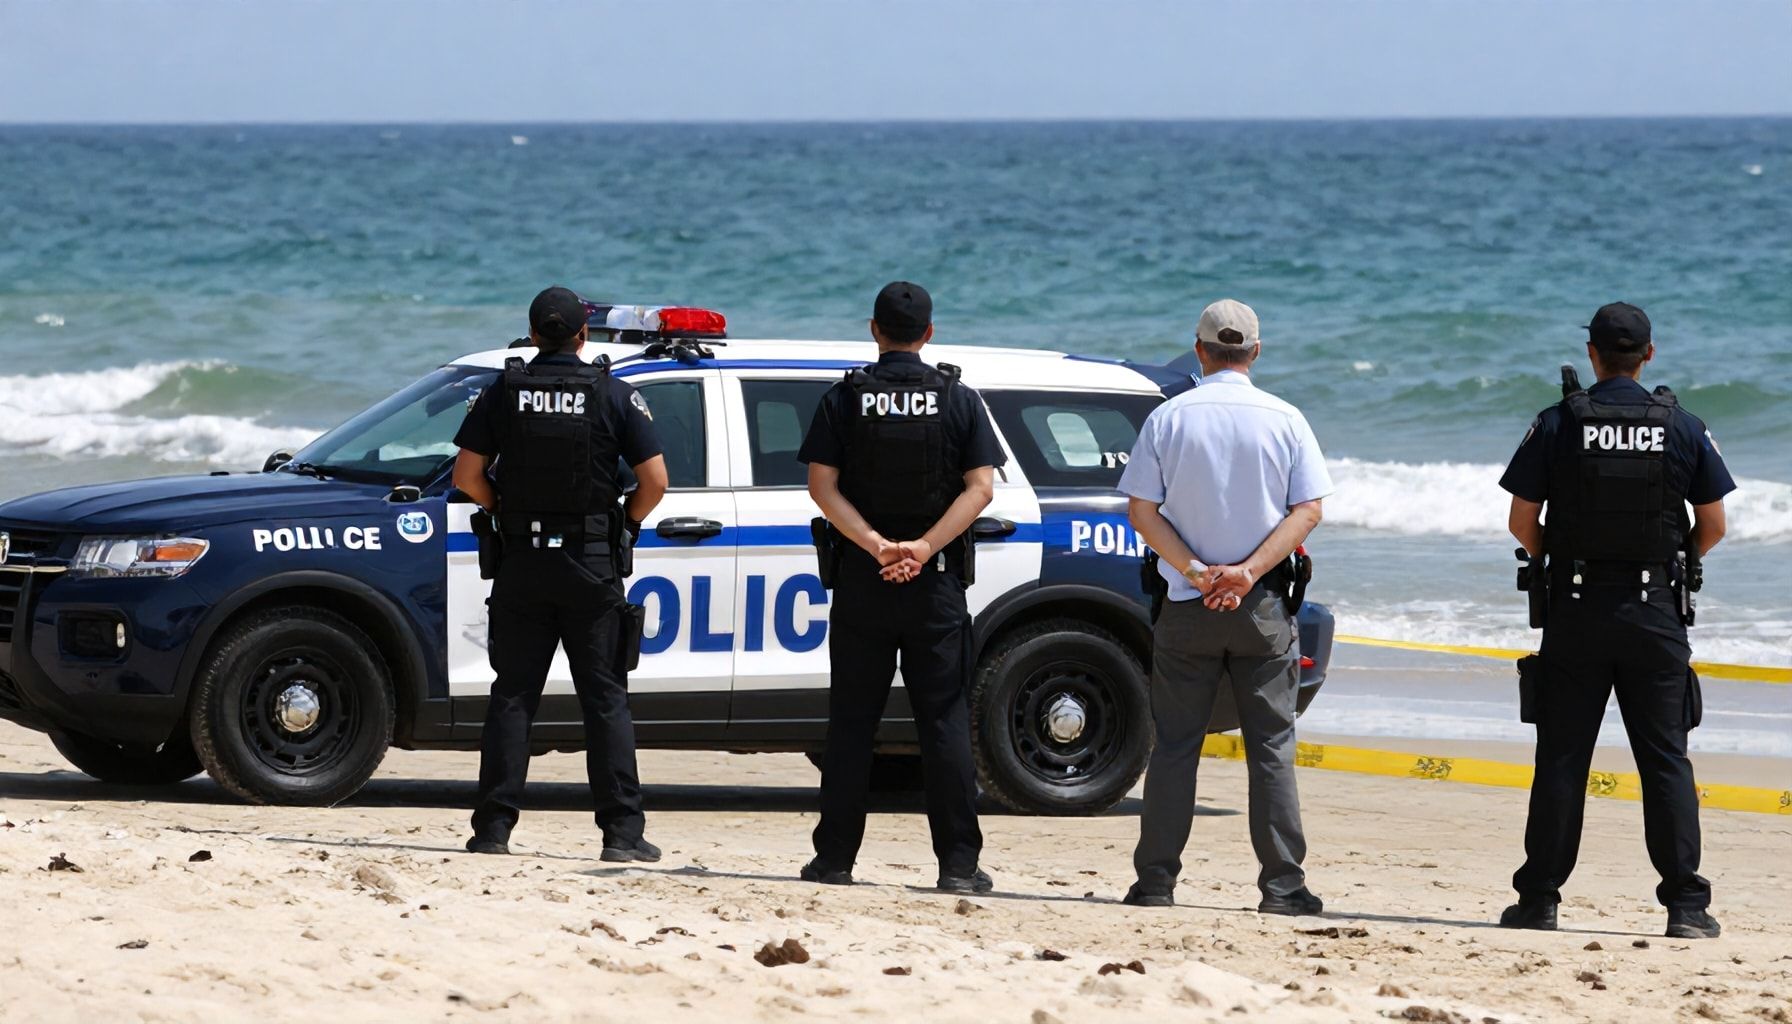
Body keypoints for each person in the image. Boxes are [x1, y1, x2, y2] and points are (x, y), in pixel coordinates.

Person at [1497, 302, 1733, 939]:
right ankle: (1686, 908)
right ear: (1648, 355)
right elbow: (1714, 525)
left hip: (1576, 611)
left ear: (1592, 354)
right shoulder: (1682, 426)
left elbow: (1521, 522)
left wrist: (1558, 561)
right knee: (1666, 760)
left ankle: (1539, 901)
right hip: (1654, 613)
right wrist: (1673, 561)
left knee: (1563, 757)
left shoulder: (1557, 422)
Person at [1117, 298, 1331, 914]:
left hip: (1187, 603)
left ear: (1200, 350)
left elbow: (1142, 512)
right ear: (1256, 351)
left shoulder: (1169, 417)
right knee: (1272, 748)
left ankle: (1155, 883)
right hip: (1260, 605)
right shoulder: (1286, 418)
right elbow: (1308, 511)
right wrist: (1246, 573)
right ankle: (1282, 887)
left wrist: (1196, 571)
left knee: (1175, 746)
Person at [796, 281, 1005, 894]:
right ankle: (958, 867)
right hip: (934, 586)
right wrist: (924, 548)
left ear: (874, 329)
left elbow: (821, 487)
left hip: (863, 581)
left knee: (852, 723)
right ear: (929, 334)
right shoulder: (958, 399)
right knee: (943, 723)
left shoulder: (844, 398)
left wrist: (876, 546)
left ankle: (834, 861)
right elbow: (981, 489)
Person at [451, 286, 669, 862]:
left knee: (513, 696)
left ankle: (492, 831)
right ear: (583, 336)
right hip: (591, 565)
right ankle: (621, 835)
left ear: (532, 334)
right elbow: (656, 482)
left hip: (522, 560)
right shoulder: (612, 393)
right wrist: (626, 524)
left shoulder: (504, 391)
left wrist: (501, 508)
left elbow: (467, 476)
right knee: (605, 699)